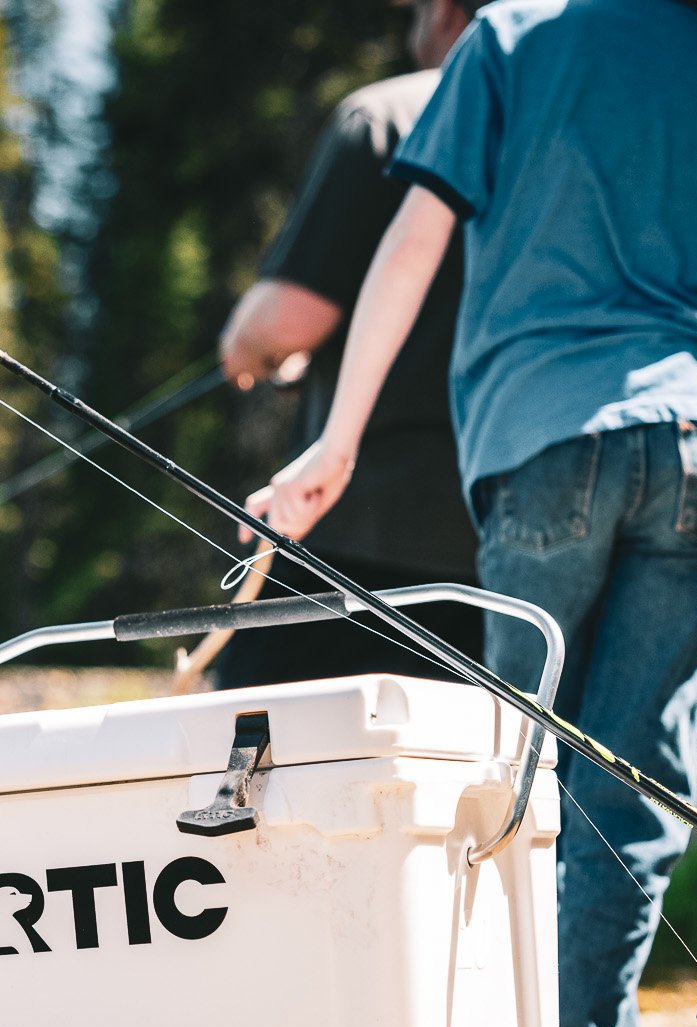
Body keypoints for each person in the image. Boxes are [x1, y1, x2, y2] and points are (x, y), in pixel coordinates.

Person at [245, 0, 697, 1027]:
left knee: (513, 773)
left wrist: (334, 440)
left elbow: (413, 237)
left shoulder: (511, 32)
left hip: (545, 436)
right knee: (634, 779)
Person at [213, 0, 487, 689]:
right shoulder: (566, 123)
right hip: (501, 541)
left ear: (449, 14)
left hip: (356, 527)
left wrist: (241, 350)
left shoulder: (389, 115)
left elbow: (284, 322)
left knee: (256, 767)